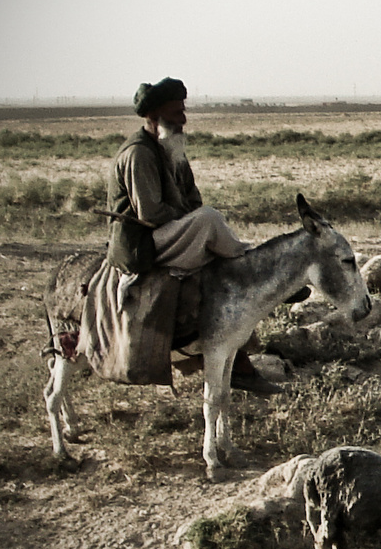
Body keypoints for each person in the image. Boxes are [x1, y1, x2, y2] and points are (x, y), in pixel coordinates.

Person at [104, 77, 280, 394]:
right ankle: (253, 264)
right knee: (209, 220)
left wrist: (193, 220)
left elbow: (192, 197)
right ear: (154, 117)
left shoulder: (172, 150)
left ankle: (238, 364)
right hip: (143, 244)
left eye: (183, 111)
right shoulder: (139, 154)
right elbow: (150, 214)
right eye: (176, 113)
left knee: (211, 236)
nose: (183, 119)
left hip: (172, 236)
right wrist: (193, 222)